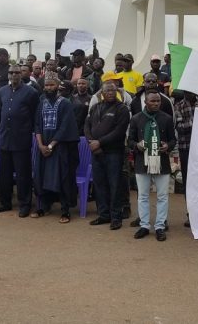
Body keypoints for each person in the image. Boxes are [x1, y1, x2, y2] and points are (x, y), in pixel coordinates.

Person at [0, 65, 39, 216]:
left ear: (21, 74)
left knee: (22, 174)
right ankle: (5, 203)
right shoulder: (2, 91)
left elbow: (35, 116)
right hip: (5, 138)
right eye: (11, 72)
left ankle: (25, 204)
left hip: (21, 139)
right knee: (4, 174)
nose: (14, 75)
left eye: (17, 72)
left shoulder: (31, 92)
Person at [127, 91, 176, 241]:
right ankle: (144, 225)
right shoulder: (136, 119)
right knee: (142, 196)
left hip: (161, 162)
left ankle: (160, 226)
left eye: (158, 101)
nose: (156, 103)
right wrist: (137, 146)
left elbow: (173, 140)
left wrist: (167, 146)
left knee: (162, 196)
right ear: (146, 103)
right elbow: (130, 141)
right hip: (143, 162)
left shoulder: (166, 119)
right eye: (153, 101)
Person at [32, 75, 80, 222]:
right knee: (42, 176)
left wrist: (51, 145)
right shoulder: (42, 102)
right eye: (46, 85)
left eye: (51, 85)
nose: (48, 88)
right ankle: (44, 206)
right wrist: (41, 145)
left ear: (58, 86)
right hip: (43, 148)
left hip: (60, 147)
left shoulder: (65, 103)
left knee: (63, 177)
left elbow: (65, 127)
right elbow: (37, 125)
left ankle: (65, 211)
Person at [85, 81, 131, 230]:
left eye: (112, 90)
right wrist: (91, 141)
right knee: (99, 184)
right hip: (96, 153)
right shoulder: (95, 107)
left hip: (114, 153)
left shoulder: (122, 109)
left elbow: (119, 131)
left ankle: (116, 217)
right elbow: (86, 126)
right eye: (107, 91)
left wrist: (100, 142)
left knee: (115, 185)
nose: (110, 93)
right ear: (102, 93)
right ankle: (104, 215)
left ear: (116, 92)